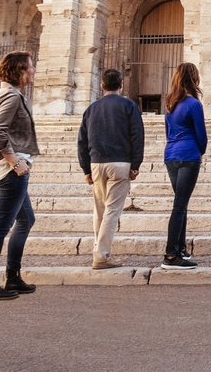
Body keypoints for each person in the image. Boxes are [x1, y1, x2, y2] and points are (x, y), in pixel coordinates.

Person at [0, 51, 40, 301]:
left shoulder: (6, 94)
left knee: (26, 220)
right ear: (20, 71)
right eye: (30, 67)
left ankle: (12, 275)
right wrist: (14, 161)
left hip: (8, 168)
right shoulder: (11, 96)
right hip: (10, 170)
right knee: (3, 224)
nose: (33, 71)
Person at [78, 68, 144, 270]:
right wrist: (135, 164)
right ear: (121, 84)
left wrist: (85, 169)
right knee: (112, 211)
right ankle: (101, 255)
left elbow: (82, 141)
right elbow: (137, 136)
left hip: (96, 163)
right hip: (120, 163)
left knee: (99, 210)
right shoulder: (129, 106)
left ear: (102, 85)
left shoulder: (91, 109)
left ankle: (100, 253)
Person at [161, 62, 207, 270]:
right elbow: (201, 135)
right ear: (193, 79)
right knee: (180, 205)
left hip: (171, 154)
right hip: (188, 154)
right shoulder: (193, 104)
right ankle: (171, 255)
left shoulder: (169, 102)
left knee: (181, 202)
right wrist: (201, 151)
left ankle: (180, 247)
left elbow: (167, 131)